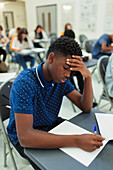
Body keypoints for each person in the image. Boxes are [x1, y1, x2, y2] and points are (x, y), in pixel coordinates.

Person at [7, 36, 105, 169]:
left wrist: (87, 77)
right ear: (51, 58)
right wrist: (77, 140)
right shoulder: (25, 83)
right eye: (66, 68)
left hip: (50, 125)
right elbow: (25, 137)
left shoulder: (61, 79)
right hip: (26, 137)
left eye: (71, 70)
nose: (68, 74)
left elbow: (86, 107)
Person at [64, 29, 84, 93]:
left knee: (79, 72)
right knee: (70, 74)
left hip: (71, 66)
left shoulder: (72, 44)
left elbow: (78, 54)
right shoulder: (62, 44)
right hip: (64, 68)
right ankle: (75, 91)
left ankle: (82, 92)